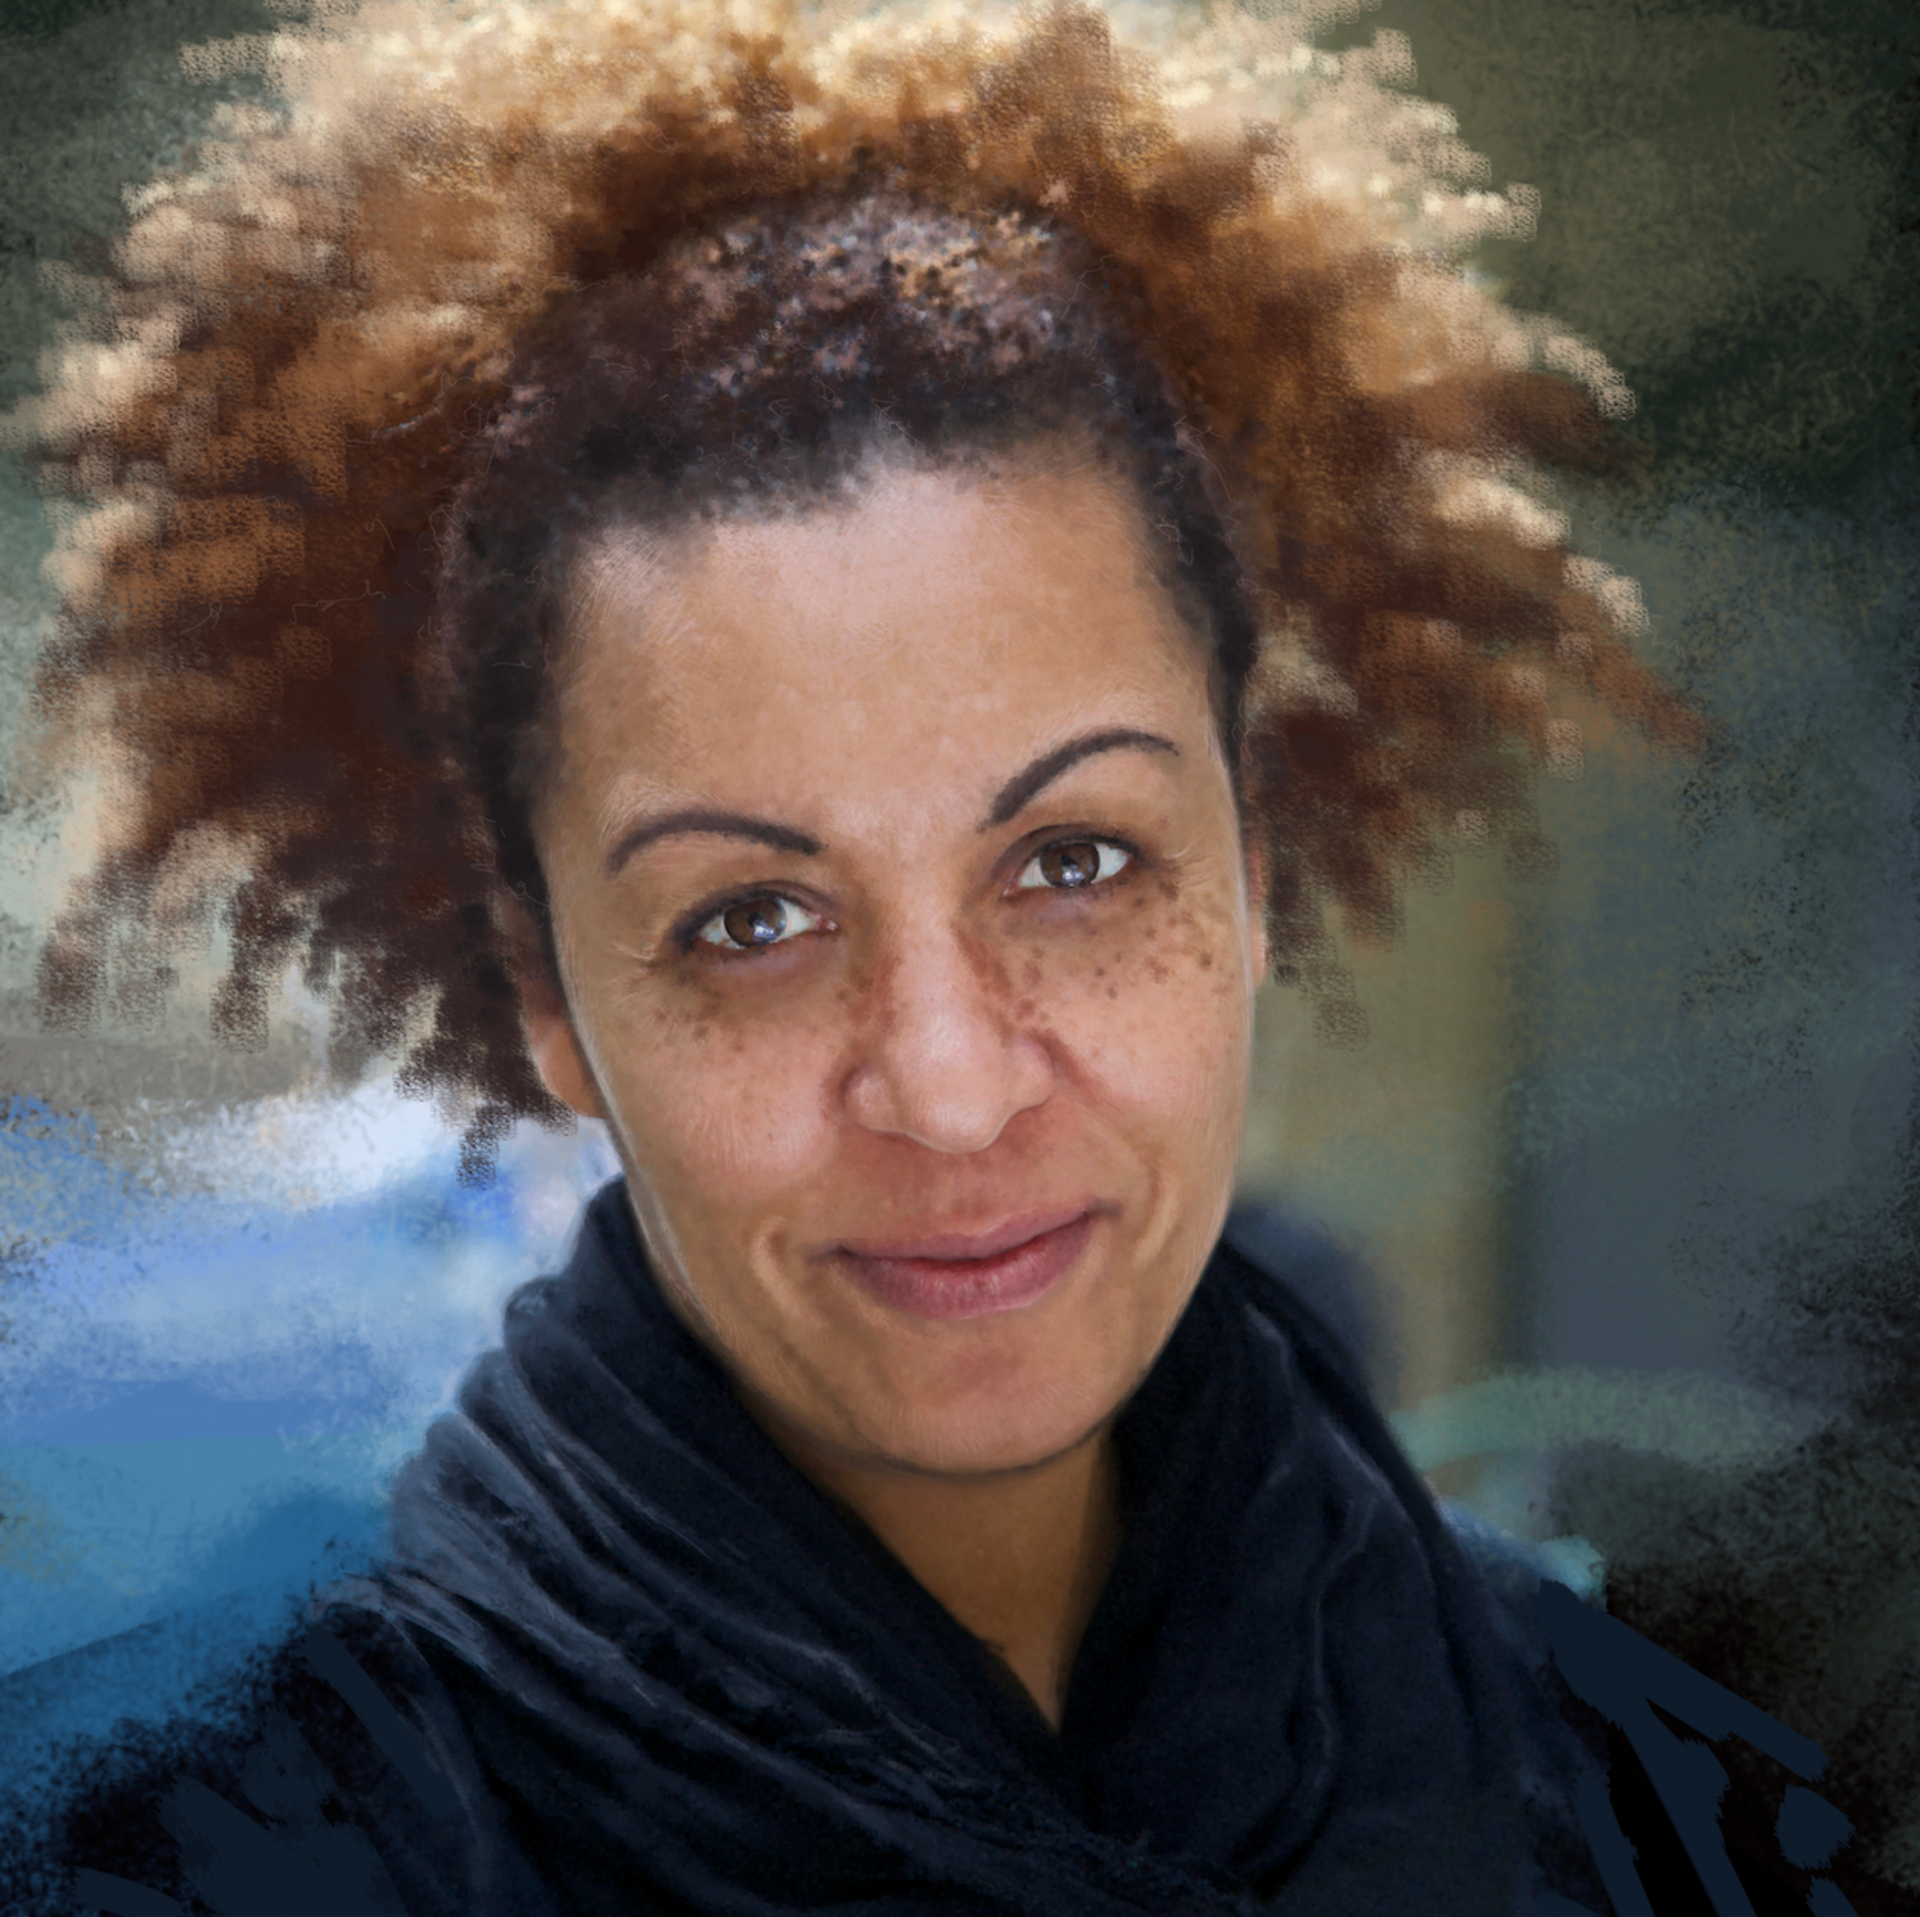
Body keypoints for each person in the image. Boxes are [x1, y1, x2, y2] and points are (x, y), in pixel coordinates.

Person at [12, 0, 1842, 1911]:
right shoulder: (179, 1856)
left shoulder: (1665, 1812)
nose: (952, 1087)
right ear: (546, 995)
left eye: (1073, 862)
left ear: (1253, 869)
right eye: (752, 920)